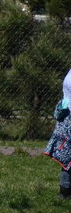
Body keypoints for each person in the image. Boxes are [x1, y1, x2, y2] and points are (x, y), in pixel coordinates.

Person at [44, 68, 71, 200]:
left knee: (68, 157)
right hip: (69, 119)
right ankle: (65, 191)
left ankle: (65, 189)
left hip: (66, 116)